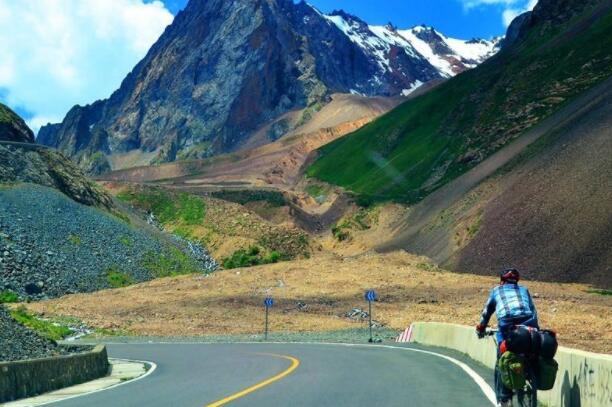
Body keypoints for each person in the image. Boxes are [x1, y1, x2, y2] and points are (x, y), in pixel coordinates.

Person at [475, 268, 539, 407]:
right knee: (530, 350)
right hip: (529, 323)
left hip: (507, 325)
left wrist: (481, 328)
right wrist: (535, 329)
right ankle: (530, 373)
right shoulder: (524, 290)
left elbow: (487, 312)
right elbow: (534, 311)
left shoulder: (496, 291)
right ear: (516, 281)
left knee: (502, 358)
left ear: (502, 281)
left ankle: (505, 398)